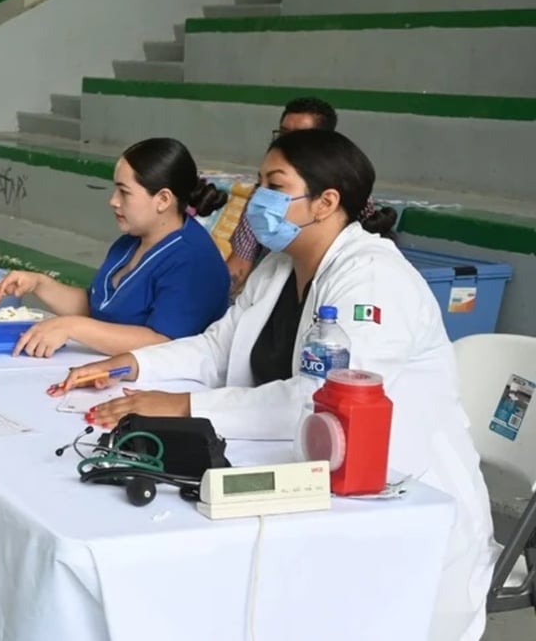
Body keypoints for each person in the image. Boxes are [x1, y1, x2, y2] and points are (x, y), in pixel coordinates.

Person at [53, 129, 495, 641]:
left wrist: (182, 405)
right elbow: (218, 347)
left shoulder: (372, 281)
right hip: (301, 475)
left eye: (274, 184)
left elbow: (316, 404)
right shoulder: (280, 268)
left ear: (326, 202)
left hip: (400, 500)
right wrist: (131, 364)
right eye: (259, 181)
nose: (257, 197)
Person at [0, 137, 230, 358]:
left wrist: (71, 326)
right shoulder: (131, 241)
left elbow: (163, 343)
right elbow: (99, 307)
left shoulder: (193, 259)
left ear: (163, 200)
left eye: (124, 192)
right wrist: (40, 284)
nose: (113, 201)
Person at [226, 97, 339, 296]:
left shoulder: (348, 200)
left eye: (299, 138)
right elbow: (240, 264)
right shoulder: (264, 196)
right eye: (283, 135)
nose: (286, 145)